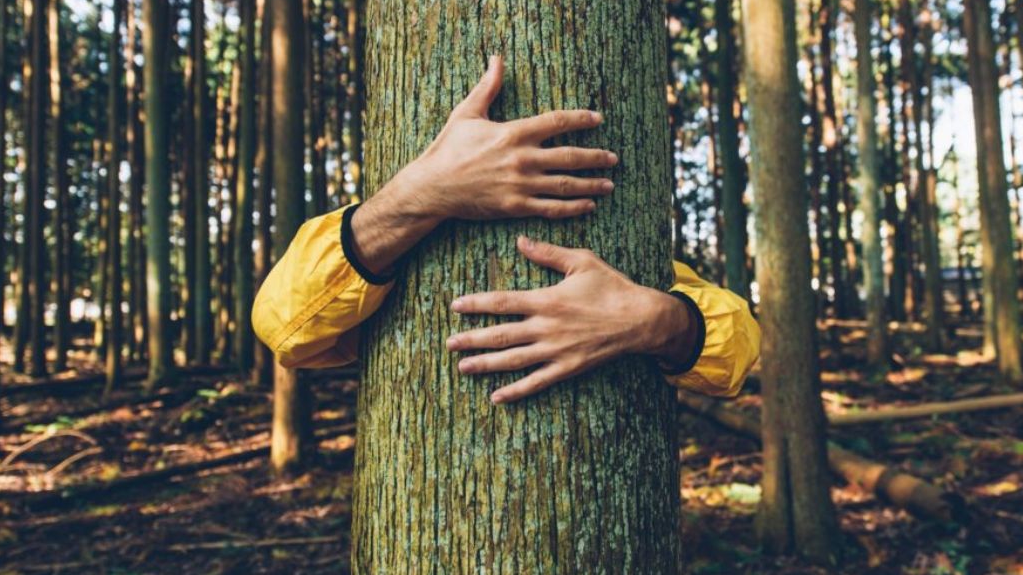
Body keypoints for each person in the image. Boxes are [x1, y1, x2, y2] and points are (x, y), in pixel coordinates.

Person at [252, 56, 759, 404]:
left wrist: (654, 319)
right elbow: (282, 326)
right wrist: (419, 195)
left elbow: (738, 349)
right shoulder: (389, 246)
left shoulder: (628, 263)